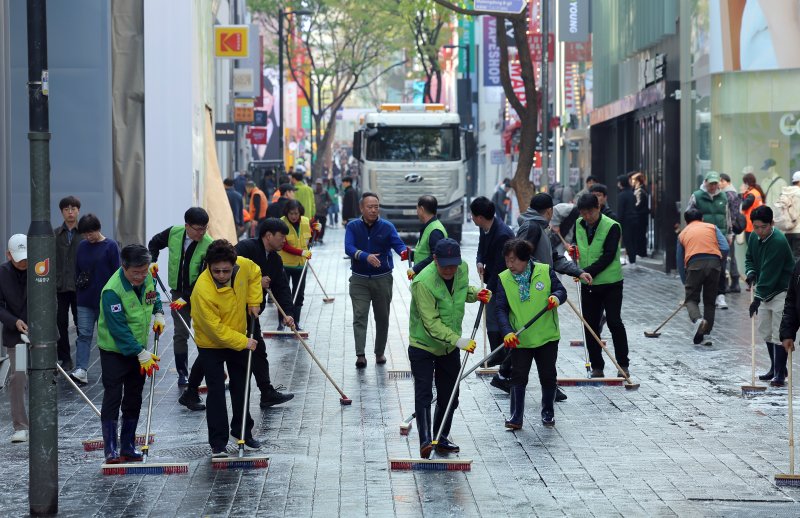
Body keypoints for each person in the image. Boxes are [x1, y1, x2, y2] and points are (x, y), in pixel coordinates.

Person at [408, 238, 489, 458]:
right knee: (424, 392)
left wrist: (475, 294)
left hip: (448, 348)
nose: (450, 270)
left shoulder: (461, 269)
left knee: (450, 394)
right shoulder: (423, 283)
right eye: (445, 266)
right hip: (423, 344)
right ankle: (425, 439)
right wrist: (458, 340)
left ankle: (441, 437)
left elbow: (461, 292)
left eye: (453, 265)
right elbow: (431, 323)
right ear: (435, 259)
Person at [505, 193, 589, 399]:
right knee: (534, 338)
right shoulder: (532, 227)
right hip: (533, 292)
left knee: (538, 337)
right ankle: (521, 380)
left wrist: (576, 271)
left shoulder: (539, 227)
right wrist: (541, 278)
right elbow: (520, 257)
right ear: (550, 211)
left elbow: (553, 257)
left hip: (542, 288)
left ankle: (509, 375)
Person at [190, 240, 264, 458]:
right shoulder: (202, 290)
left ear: (233, 265)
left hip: (239, 333)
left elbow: (256, 273)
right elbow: (214, 329)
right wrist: (244, 342)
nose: (221, 275)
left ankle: (243, 431)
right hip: (211, 344)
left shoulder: (243, 265)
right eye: (216, 271)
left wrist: (253, 300)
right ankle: (218, 442)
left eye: (226, 270)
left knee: (242, 387)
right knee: (216, 392)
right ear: (208, 267)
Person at [97, 244, 164, 463]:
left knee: (134, 397)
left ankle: (127, 445)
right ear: (124, 267)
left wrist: (159, 313)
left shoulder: (148, 278)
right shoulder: (112, 291)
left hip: (139, 350)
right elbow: (118, 329)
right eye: (136, 273)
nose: (141, 277)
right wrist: (140, 352)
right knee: (113, 397)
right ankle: (111, 449)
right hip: (114, 352)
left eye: (144, 271)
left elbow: (153, 296)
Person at [495, 238, 566, 429]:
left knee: (548, 375)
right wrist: (507, 332)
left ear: (525, 259)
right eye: (507, 260)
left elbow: (561, 290)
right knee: (518, 377)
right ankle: (516, 417)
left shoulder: (544, 271)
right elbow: (500, 309)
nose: (510, 265)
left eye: (514, 260)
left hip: (546, 336)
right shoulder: (504, 278)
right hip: (520, 339)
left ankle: (548, 413)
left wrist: (556, 297)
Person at [148, 207, 213, 411]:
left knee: (205, 332)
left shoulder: (208, 244)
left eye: (204, 229)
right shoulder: (174, 233)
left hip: (199, 293)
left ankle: (211, 368)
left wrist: (188, 297)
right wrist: (152, 261)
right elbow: (153, 243)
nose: (201, 233)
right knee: (181, 333)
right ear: (187, 226)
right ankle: (183, 372)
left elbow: (205, 275)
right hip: (177, 292)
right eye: (197, 229)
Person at [235, 218, 296, 408]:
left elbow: (282, 287)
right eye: (281, 236)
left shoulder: (275, 259)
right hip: (233, 311)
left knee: (259, 350)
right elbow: (228, 273)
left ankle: (266, 392)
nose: (284, 240)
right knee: (216, 351)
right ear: (268, 235)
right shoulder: (245, 248)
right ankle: (192, 388)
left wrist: (288, 313)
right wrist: (255, 281)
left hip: (252, 313)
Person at [345, 192, 408, 368]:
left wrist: (405, 253)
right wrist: (365, 256)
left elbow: (398, 244)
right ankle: (360, 355)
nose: (373, 210)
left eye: (376, 206)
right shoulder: (353, 226)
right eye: (370, 207)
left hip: (383, 279)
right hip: (359, 279)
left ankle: (379, 352)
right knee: (360, 316)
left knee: (382, 318)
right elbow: (349, 247)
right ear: (361, 208)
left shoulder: (387, 227)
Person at [574, 193, 630, 378]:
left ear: (598, 208)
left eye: (590, 212)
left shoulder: (612, 226)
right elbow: (582, 247)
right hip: (588, 283)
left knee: (614, 322)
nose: (587, 217)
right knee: (590, 325)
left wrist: (587, 271)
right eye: (583, 213)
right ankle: (597, 366)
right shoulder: (579, 224)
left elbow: (608, 256)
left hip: (611, 283)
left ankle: (623, 364)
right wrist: (575, 253)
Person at [745, 205, 794, 387]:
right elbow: (750, 257)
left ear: (771, 224)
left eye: (763, 227)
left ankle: (781, 373)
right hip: (764, 291)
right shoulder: (754, 237)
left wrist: (757, 298)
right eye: (756, 227)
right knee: (765, 330)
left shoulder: (778, 241)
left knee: (778, 332)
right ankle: (775, 367)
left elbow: (769, 273)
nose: (759, 231)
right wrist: (750, 272)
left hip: (781, 290)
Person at [71, 214, 121, 384]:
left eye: (90, 233)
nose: (87, 237)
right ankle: (81, 369)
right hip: (84, 298)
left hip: (105, 299)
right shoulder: (82, 246)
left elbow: (118, 273)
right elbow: (77, 270)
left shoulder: (111, 246)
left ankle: (111, 368)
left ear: (98, 229)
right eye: (84, 234)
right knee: (83, 334)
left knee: (106, 335)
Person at [471, 196, 515, 368]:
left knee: (497, 316)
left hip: (504, 280)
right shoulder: (485, 227)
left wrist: (487, 291)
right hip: (493, 277)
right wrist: (479, 261)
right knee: (491, 318)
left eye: (473, 216)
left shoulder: (502, 234)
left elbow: (500, 267)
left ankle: (501, 355)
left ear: (480, 217)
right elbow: (481, 248)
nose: (472, 218)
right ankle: (497, 353)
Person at [676, 208, 730, 344]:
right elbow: (725, 247)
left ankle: (698, 320)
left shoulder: (683, 234)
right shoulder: (712, 227)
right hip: (714, 263)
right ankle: (706, 335)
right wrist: (719, 261)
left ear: (686, 221)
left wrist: (685, 280)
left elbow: (679, 259)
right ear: (702, 219)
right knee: (710, 301)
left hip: (694, 264)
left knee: (690, 300)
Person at [0, 234, 29, 443]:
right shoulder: (2, 273)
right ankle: (20, 425)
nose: (23, 262)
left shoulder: (40, 269)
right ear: (8, 255)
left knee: (45, 376)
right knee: (19, 376)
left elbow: (51, 299)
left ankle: (44, 421)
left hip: (41, 335)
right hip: (17, 335)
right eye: (18, 258)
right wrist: (14, 321)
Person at [687, 171, 731, 309]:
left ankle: (721, 296)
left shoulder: (723, 196)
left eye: (715, 183)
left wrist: (729, 234)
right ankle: (697, 297)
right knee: (702, 266)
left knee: (721, 266)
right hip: (703, 236)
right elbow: (689, 214)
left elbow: (727, 216)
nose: (713, 186)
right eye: (710, 183)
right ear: (705, 182)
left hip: (720, 235)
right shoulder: (697, 196)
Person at [279, 200, 319, 327]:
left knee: (299, 294)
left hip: (301, 265)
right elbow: (283, 245)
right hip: (285, 264)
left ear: (300, 212)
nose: (294, 216)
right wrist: (301, 252)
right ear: (287, 213)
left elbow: (311, 239)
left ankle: (296, 322)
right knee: (284, 294)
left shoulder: (306, 221)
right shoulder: (281, 223)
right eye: (291, 213)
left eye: (296, 213)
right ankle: (282, 321)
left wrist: (317, 231)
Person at [55, 195, 84, 371]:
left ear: (78, 211)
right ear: (62, 212)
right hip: (59, 286)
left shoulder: (84, 234)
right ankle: (65, 358)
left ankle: (82, 359)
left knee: (82, 324)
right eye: (67, 209)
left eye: (73, 209)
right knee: (60, 323)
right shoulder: (55, 233)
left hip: (79, 286)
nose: (70, 212)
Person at [408, 195, 447, 280]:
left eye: (417, 209)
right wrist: (410, 255)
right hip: (425, 279)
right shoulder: (430, 227)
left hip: (430, 281)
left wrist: (415, 269)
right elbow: (425, 253)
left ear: (421, 209)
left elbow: (435, 257)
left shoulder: (435, 231)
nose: (417, 212)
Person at [719, 173, 742, 293]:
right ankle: (735, 283)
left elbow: (730, 215)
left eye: (719, 181)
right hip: (731, 229)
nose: (718, 184)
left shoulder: (728, 195)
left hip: (729, 229)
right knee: (731, 256)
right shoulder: (734, 193)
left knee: (727, 257)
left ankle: (728, 284)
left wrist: (730, 232)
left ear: (724, 181)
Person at [775, 171, 800, 259]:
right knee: (797, 257)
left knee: (790, 258)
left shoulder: (785, 193)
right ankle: (796, 273)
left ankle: (790, 273)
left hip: (787, 230)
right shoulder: (798, 194)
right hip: (798, 230)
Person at [616, 174, 638, 266]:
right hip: (634, 219)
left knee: (627, 240)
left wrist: (618, 222)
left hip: (625, 221)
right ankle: (633, 259)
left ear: (621, 183)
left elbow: (621, 210)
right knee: (633, 239)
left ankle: (632, 260)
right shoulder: (631, 193)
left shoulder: (622, 195)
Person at [631, 172, 650, 259]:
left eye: (633, 180)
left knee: (640, 234)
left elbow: (639, 204)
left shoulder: (639, 190)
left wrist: (632, 208)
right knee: (641, 234)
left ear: (638, 180)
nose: (632, 182)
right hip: (642, 216)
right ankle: (641, 251)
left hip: (640, 216)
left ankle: (641, 252)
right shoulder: (641, 189)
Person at [741, 171, 765, 242]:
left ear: (747, 183)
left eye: (744, 182)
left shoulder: (751, 195)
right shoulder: (757, 192)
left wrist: (742, 194)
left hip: (750, 226)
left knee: (752, 248)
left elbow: (742, 206)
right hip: (758, 225)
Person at [313, 178, 331, 244]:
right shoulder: (313, 192)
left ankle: (320, 238)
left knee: (322, 226)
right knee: (314, 226)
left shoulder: (325, 192)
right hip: (315, 212)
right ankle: (314, 238)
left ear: (321, 185)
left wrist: (326, 206)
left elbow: (329, 201)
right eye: (317, 184)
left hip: (323, 213)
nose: (318, 186)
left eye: (319, 184)